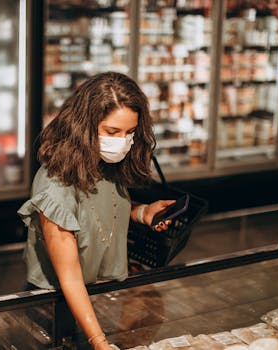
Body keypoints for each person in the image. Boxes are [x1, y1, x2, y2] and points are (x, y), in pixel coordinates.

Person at [18, 71, 175, 349]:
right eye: (112, 132)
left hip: (95, 293)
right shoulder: (56, 184)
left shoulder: (103, 162)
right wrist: (99, 341)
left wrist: (142, 213)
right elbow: (69, 276)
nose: (122, 141)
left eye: (130, 132)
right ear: (85, 126)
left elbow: (99, 209)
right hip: (55, 305)